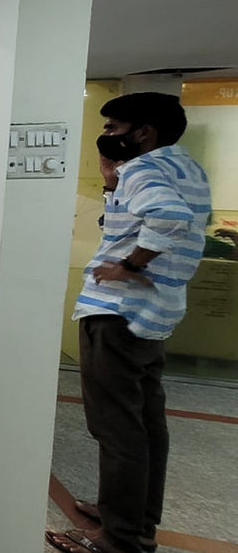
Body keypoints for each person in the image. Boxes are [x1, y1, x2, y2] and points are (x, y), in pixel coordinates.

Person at [46, 93, 211, 553]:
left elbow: (168, 216)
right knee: (146, 424)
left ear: (144, 132)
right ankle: (134, 518)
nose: (107, 136)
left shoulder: (144, 169)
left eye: (114, 128)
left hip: (117, 313)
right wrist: (110, 184)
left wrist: (129, 266)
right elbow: (133, 221)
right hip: (155, 313)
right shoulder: (185, 168)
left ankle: (119, 539)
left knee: (116, 428)